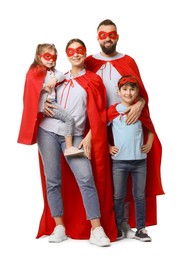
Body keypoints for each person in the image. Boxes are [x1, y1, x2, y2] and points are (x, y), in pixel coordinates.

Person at [18, 39, 117, 246]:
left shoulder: (92, 80)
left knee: (86, 178)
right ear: (66, 54)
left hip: (77, 135)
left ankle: (96, 229)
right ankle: (59, 226)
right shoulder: (57, 77)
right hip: (48, 132)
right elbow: (33, 94)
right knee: (52, 180)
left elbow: (98, 113)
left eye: (79, 51)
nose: (75, 54)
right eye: (71, 51)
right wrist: (41, 105)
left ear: (85, 53)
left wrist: (90, 136)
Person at [85, 19, 164, 239]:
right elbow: (77, 80)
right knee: (102, 178)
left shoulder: (128, 61)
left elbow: (142, 93)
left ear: (117, 36)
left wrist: (138, 103)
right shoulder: (90, 62)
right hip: (101, 124)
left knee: (131, 184)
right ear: (97, 37)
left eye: (111, 34)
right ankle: (105, 225)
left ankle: (129, 224)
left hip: (129, 124)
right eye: (103, 35)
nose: (107, 38)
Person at [108, 75, 157, 242]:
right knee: (118, 196)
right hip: (119, 161)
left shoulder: (140, 110)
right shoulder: (113, 111)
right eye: (125, 89)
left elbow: (150, 128)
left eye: (132, 89)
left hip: (139, 162)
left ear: (136, 91)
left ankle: (141, 229)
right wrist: (108, 147)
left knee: (139, 196)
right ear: (119, 91)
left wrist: (149, 143)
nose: (128, 93)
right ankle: (118, 228)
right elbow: (101, 130)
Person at [18, 43, 83, 156]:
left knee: (67, 118)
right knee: (69, 119)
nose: (51, 60)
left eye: (54, 57)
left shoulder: (52, 71)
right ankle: (69, 147)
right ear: (39, 57)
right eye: (48, 57)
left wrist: (54, 78)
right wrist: (42, 103)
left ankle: (68, 146)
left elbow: (62, 75)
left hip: (53, 103)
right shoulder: (35, 72)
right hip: (49, 105)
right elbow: (32, 90)